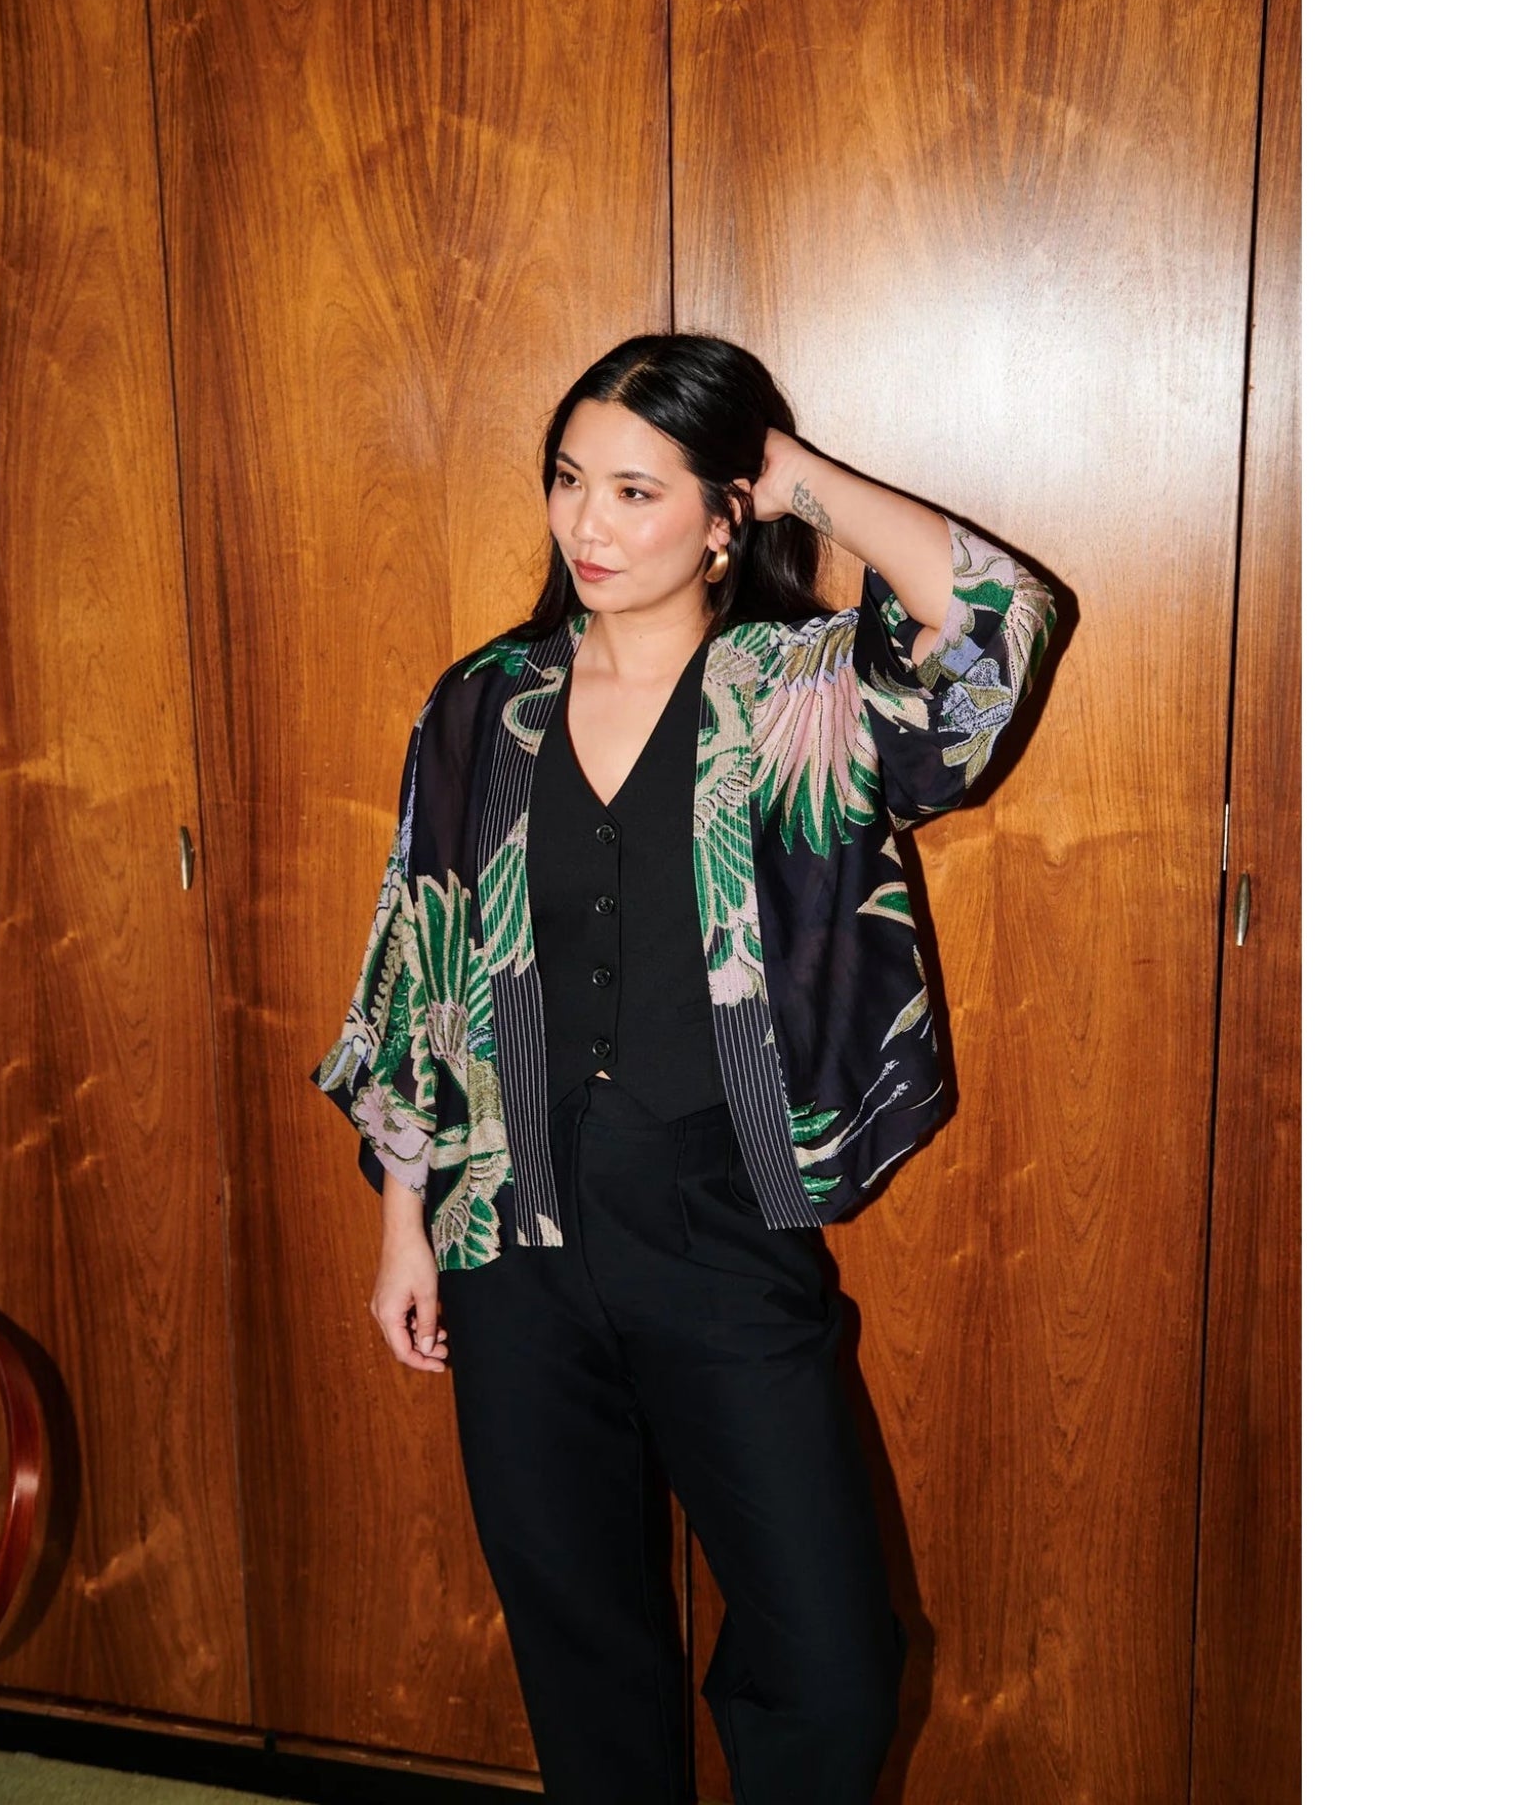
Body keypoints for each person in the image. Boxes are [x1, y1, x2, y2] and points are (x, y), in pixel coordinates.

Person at [313, 333, 1056, 1803]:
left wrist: (802, 478)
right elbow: (419, 963)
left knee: (833, 1661)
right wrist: (405, 1223)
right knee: (580, 1648)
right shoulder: (482, 704)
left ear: (727, 517)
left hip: (718, 1229)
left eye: (639, 492)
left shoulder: (799, 697)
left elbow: (1002, 622)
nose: (588, 523)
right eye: (570, 480)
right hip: (508, 1238)